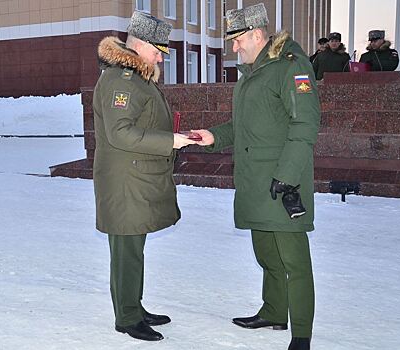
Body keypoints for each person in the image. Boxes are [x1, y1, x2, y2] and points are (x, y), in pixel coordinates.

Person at [193, 3, 319, 350]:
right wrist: (214, 136)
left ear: (258, 35)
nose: (233, 48)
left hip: (282, 182)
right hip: (255, 181)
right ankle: (274, 312)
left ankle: (302, 334)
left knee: (294, 260)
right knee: (266, 253)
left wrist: (287, 176)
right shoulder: (254, 71)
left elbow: (305, 125)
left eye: (237, 41)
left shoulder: (291, 68)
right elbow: (243, 127)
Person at [92, 11, 196, 342]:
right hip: (125, 183)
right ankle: (126, 317)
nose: (159, 57)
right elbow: (120, 132)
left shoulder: (135, 76)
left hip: (136, 178)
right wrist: (170, 141)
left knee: (134, 248)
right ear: (139, 44)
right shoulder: (120, 80)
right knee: (126, 252)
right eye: (157, 51)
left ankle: (134, 307)